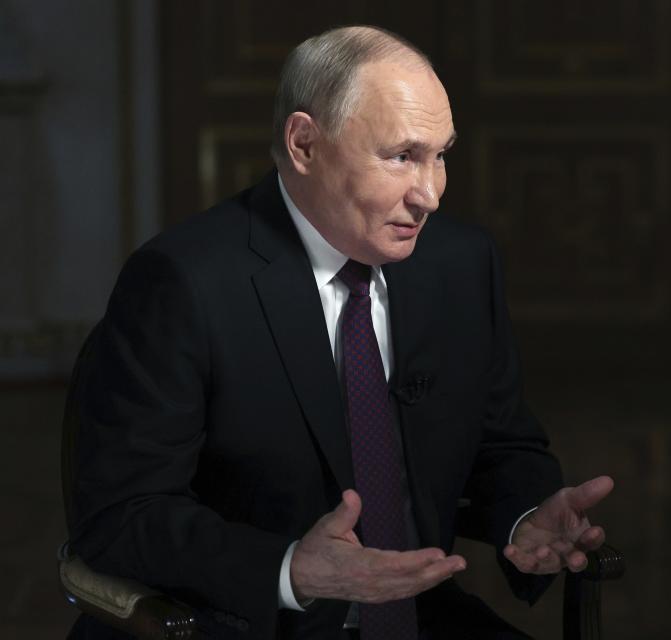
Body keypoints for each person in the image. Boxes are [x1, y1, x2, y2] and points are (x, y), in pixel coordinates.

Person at [68, 25, 613, 639]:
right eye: (402, 156)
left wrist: (527, 515)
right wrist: (291, 569)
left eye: (441, 156)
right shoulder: (181, 282)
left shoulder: (461, 263)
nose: (429, 194)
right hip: (244, 623)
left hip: (419, 619)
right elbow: (120, 517)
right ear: (303, 144)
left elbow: (501, 444)